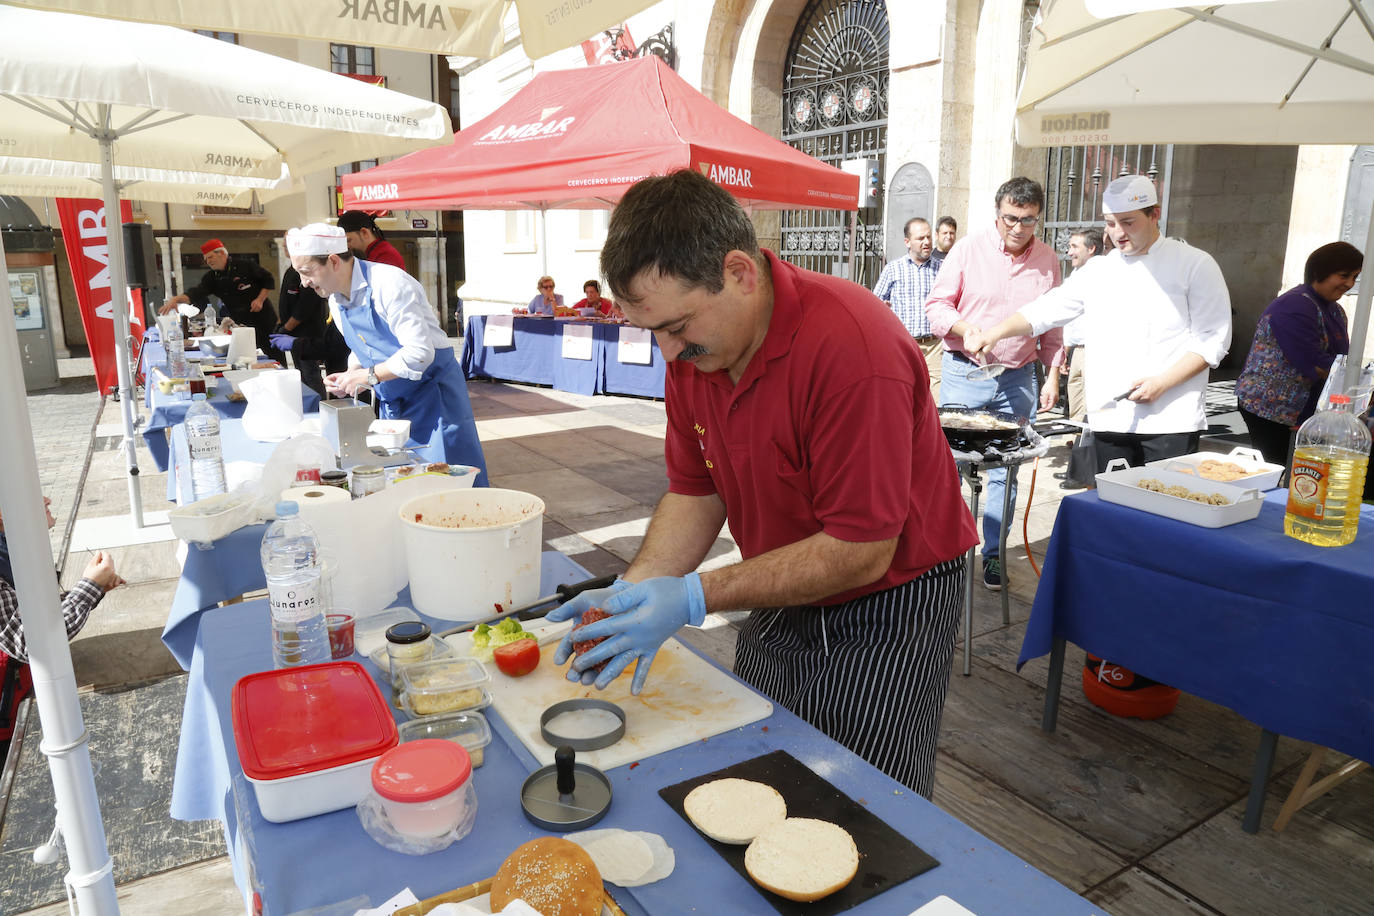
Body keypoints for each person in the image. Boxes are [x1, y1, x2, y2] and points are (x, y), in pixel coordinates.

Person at [545, 169, 977, 797]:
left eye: (677, 327)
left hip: (890, 595)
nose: (668, 355)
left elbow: (860, 549)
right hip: (779, 574)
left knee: (864, 796)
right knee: (762, 759)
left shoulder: (854, 347)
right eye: (653, 332)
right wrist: (633, 591)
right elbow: (696, 490)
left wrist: (692, 597)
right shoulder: (699, 352)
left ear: (740, 273)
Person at [967, 174, 1232, 475]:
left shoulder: (1194, 264)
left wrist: (1163, 383)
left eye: (1128, 222)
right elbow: (1046, 309)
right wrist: (996, 332)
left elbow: (1213, 339)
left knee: (1162, 512)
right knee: (1112, 510)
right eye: (1110, 222)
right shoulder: (1099, 269)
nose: (1117, 233)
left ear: (1154, 214)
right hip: (1110, 417)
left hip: (1170, 419)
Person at [924, 177, 1063, 591]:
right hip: (966, 373)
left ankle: (994, 554)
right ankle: (944, 549)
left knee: (1007, 468)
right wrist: (966, 329)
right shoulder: (968, 249)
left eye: (1028, 220)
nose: (1018, 228)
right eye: (1010, 218)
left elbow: (1053, 325)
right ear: (997, 213)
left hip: (1018, 377)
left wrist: (1052, 373)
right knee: (950, 464)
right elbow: (937, 305)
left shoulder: (1048, 260)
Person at [285, 224, 488, 481]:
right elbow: (363, 344)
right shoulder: (336, 298)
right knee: (406, 475)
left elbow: (419, 352)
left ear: (333, 261)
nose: (303, 283)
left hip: (433, 393)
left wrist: (368, 377)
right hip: (395, 397)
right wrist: (351, 373)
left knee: (449, 476)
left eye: (306, 272)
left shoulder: (390, 284)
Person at [1, 497, 123, 763]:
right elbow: (31, 642)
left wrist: (92, 587)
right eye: (30, 487)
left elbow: (35, 615)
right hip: (9, 715)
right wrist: (88, 588)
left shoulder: (14, 547)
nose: (46, 498)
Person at [1234, 241, 1362, 466]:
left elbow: (1342, 360)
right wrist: (1360, 381)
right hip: (1271, 410)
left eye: (1355, 277)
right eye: (1343, 275)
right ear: (1319, 271)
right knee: (1277, 471)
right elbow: (1319, 365)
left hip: (1305, 410)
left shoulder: (1335, 310)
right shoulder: (1295, 305)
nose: (1349, 284)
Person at [1052, 227, 1106, 490]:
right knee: (1076, 412)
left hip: (1094, 350)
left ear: (1092, 249)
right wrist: (1065, 349)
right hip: (1077, 351)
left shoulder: (1102, 273)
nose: (1069, 251)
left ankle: (1083, 473)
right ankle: (1075, 466)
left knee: (1088, 414)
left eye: (1075, 246)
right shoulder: (1077, 274)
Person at [161, 239, 279, 356]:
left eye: (210, 257)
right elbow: (195, 293)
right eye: (206, 259)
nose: (208, 261)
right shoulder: (212, 278)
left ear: (221, 253)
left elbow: (268, 279)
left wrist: (260, 299)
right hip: (241, 325)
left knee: (274, 353)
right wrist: (176, 299)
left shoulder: (245, 266)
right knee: (247, 356)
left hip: (263, 319)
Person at [873, 217, 943, 397]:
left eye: (928, 237)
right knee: (903, 394)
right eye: (921, 238)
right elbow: (874, 305)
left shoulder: (942, 269)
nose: (927, 242)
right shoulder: (893, 269)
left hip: (934, 345)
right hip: (904, 345)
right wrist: (883, 309)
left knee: (936, 399)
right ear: (907, 242)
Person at [271, 265, 330, 396]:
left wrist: (286, 329)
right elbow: (285, 303)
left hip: (309, 334)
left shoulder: (309, 274)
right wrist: (280, 324)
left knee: (311, 374)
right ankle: (308, 404)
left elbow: (304, 308)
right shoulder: (290, 272)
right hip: (293, 334)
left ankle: (318, 406)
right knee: (300, 373)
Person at [337, 210, 406, 270]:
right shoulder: (372, 252)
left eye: (349, 240)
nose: (347, 246)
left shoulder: (386, 256)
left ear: (364, 232)